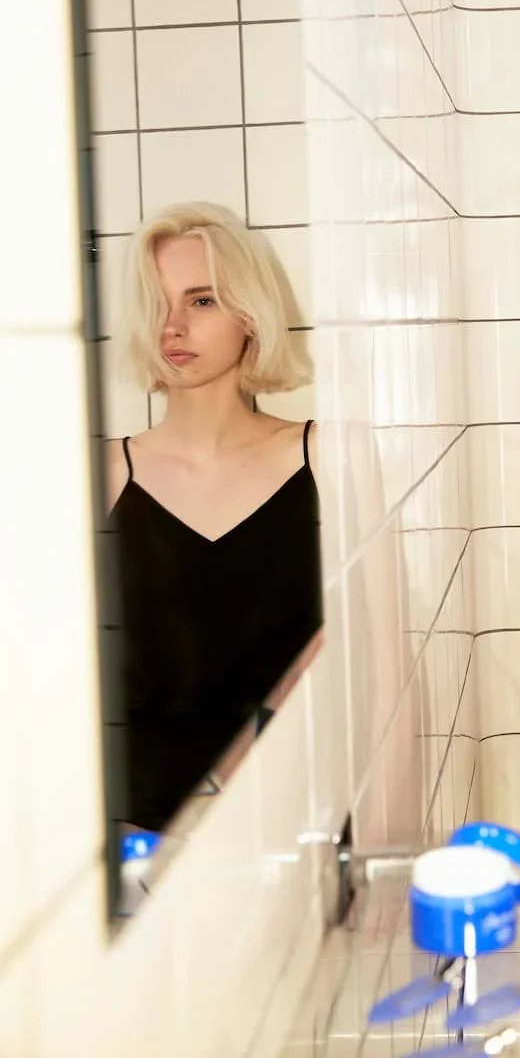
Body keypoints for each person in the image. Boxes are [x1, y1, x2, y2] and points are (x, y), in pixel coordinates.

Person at [105, 202, 322, 833]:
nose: (172, 326)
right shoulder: (103, 474)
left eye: (201, 301)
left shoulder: (323, 456)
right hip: (135, 828)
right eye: (157, 304)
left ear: (252, 315)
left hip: (285, 818)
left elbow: (355, 652)